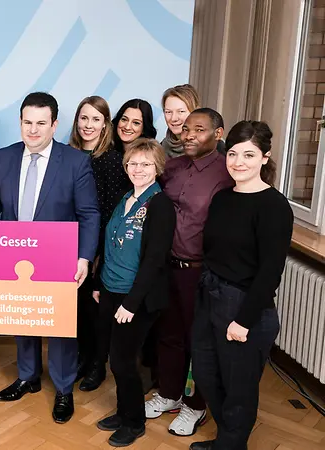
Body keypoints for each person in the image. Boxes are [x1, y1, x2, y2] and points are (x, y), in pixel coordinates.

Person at [0, 92, 100, 423]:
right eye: (27, 122)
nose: (33, 130)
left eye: (41, 123)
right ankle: (27, 377)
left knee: (59, 326)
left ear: (54, 124)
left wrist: (84, 258)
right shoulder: (5, 156)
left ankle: (63, 389)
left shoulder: (75, 161)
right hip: (15, 255)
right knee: (23, 317)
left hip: (59, 256)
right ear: (20, 122)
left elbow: (89, 214)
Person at [190, 121, 292, 450]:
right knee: (207, 373)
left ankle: (231, 445)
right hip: (210, 296)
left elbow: (270, 271)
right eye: (232, 154)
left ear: (265, 157)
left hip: (246, 305)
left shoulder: (274, 206)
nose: (238, 162)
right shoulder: (222, 199)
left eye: (249, 154)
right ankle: (228, 438)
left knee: (239, 389)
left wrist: (244, 320)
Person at [146, 108, 234, 437]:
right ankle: (168, 393)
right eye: (185, 129)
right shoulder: (172, 168)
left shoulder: (227, 173)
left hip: (201, 271)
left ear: (218, 134)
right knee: (168, 334)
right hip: (167, 267)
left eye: (199, 129)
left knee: (198, 341)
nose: (189, 135)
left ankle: (195, 406)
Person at [92, 138, 175, 446]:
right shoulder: (126, 197)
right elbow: (111, 247)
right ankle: (123, 411)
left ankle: (134, 422)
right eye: (133, 163)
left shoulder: (160, 204)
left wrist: (130, 303)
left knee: (125, 362)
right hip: (111, 289)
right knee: (116, 357)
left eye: (145, 164)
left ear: (157, 168)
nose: (138, 169)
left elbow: (154, 260)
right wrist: (101, 285)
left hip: (136, 297)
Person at [68, 96, 131, 391]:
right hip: (67, 243)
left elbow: (111, 212)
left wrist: (96, 253)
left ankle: (96, 364)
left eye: (95, 119)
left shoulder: (112, 160)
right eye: (84, 118)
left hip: (98, 247)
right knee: (77, 308)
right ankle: (81, 358)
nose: (88, 125)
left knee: (96, 310)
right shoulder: (66, 155)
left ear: (105, 124)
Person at [161, 84, 200, 159]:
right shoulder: (161, 148)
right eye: (168, 112)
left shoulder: (212, 145)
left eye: (181, 111)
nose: (174, 118)